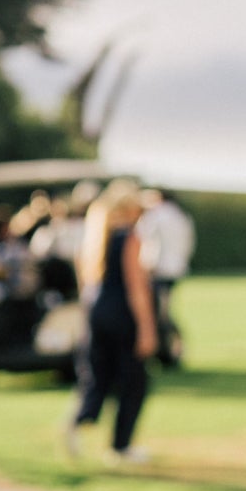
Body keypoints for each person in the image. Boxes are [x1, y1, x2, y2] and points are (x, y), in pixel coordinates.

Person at [64, 180, 157, 463]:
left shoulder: (95, 236)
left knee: (97, 375)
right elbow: (137, 288)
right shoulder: (129, 237)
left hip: (95, 311)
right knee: (134, 381)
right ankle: (120, 446)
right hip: (122, 314)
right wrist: (147, 329)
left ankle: (79, 420)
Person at [138, 188, 196, 366]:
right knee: (164, 311)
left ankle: (167, 350)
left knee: (160, 313)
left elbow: (143, 239)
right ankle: (168, 349)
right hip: (176, 269)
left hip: (159, 270)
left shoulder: (155, 215)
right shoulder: (181, 216)